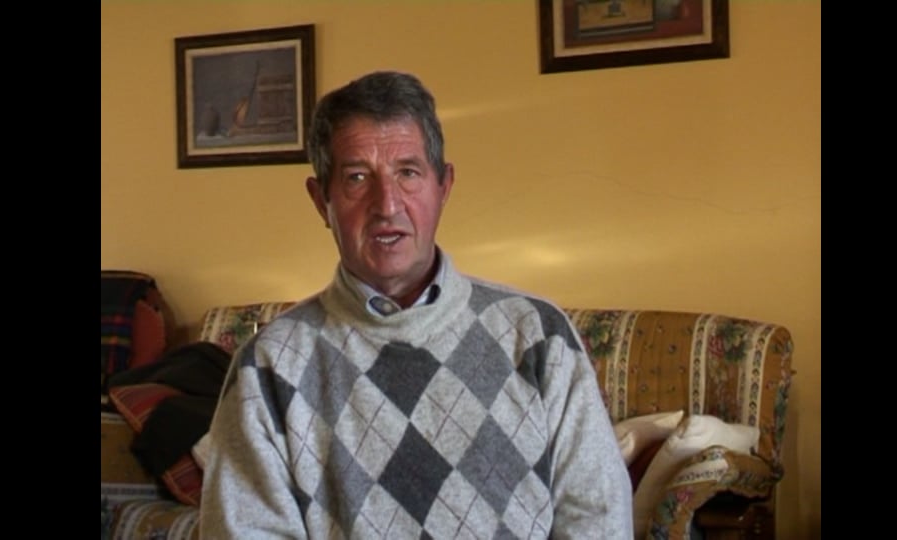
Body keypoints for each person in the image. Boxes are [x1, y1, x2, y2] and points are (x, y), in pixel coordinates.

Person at [200, 71, 633, 539]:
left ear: (443, 187)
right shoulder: (269, 367)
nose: (387, 205)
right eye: (357, 178)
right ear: (321, 200)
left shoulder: (538, 334)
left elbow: (599, 517)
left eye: (408, 173)